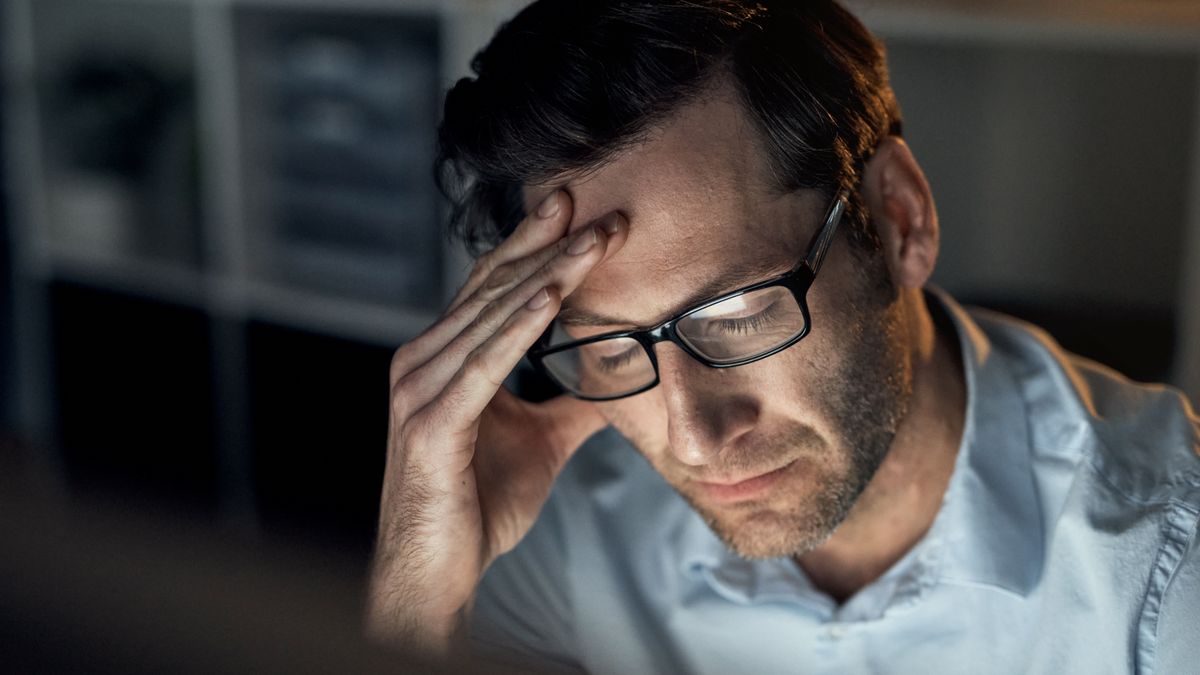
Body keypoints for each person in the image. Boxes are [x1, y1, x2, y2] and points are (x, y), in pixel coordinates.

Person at [367, 1, 1200, 672]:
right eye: (616, 347)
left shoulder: (1165, 579)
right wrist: (413, 605)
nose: (695, 438)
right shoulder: (557, 523)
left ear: (898, 218)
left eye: (736, 315)